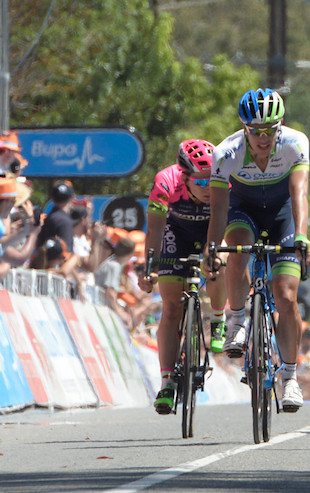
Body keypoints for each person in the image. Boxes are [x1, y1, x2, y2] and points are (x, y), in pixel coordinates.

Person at [210, 88, 310, 413]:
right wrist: (213, 248)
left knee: (286, 296)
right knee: (237, 247)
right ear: (245, 128)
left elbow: (299, 192)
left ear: (279, 125)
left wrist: (301, 236)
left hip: (282, 213)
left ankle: (290, 377)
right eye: (256, 131)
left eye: (270, 130)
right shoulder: (226, 153)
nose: (264, 137)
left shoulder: (295, 143)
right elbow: (218, 208)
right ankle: (238, 320)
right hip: (244, 210)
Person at [138, 139, 227, 415]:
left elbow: (225, 221)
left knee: (219, 265)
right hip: (175, 232)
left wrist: (213, 256)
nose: (208, 189)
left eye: (210, 182)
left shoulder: (224, 180)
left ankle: (219, 316)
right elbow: (154, 229)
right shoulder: (165, 182)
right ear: (184, 177)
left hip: (211, 229)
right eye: (200, 183)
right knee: (172, 306)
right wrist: (149, 266)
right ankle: (166, 383)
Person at [36, 180, 75, 254]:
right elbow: (66, 253)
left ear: (52, 198)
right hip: (58, 264)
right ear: (72, 198)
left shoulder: (50, 217)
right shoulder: (64, 221)